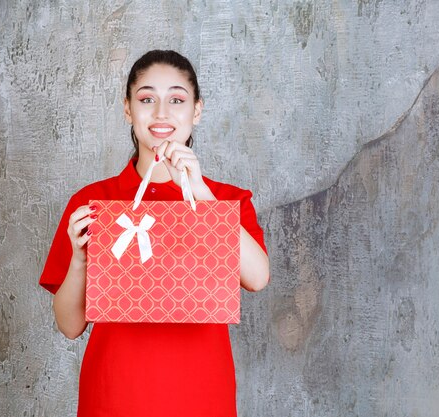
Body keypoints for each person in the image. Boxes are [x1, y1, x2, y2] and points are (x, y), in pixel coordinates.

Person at [39, 50, 269, 417]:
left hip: (202, 395)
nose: (161, 113)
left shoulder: (226, 199)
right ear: (128, 109)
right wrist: (81, 259)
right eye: (147, 99)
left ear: (196, 110)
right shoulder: (94, 202)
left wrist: (201, 193)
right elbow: (69, 326)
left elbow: (257, 278)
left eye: (176, 100)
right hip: (114, 394)